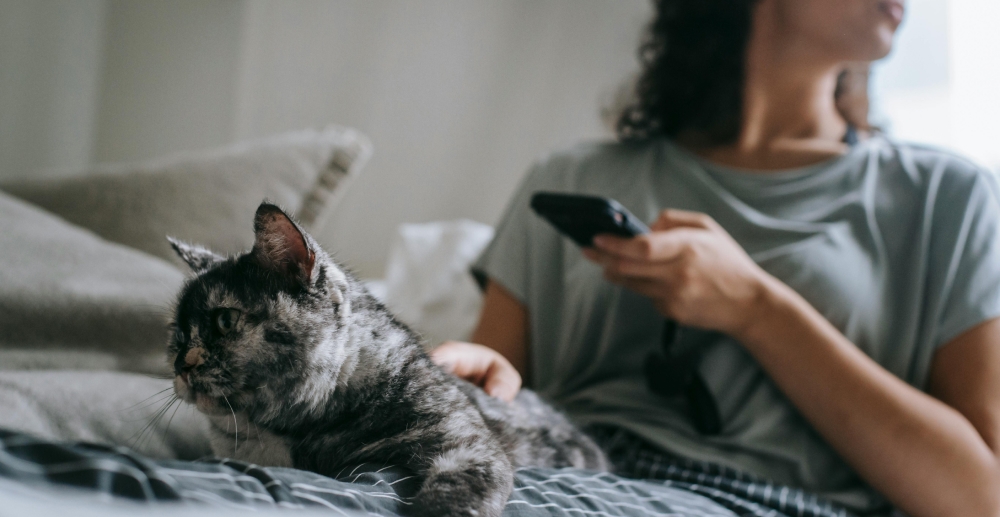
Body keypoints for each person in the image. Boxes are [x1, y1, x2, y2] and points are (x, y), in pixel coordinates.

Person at [433, 1, 1000, 516]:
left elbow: (980, 497)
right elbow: (486, 386)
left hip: (757, 500)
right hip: (553, 471)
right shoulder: (571, 174)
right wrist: (476, 370)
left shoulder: (945, 198)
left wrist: (757, 308)